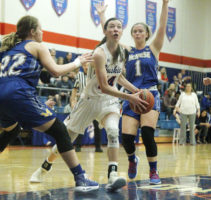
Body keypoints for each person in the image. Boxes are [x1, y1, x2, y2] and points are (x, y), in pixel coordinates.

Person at [0, 15, 99, 192]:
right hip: (18, 95)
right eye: (40, 28)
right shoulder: (38, 46)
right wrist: (78, 62)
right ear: (32, 31)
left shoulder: (12, 49)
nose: (42, 32)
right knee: (60, 131)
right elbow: (55, 72)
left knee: (12, 130)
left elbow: (32, 76)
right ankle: (80, 177)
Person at [30, 17, 147, 192]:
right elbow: (104, 86)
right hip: (90, 101)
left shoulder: (122, 52)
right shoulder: (99, 53)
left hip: (110, 101)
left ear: (122, 32)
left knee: (113, 131)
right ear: (106, 31)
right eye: (112, 27)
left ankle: (113, 175)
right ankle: (45, 166)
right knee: (65, 140)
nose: (116, 29)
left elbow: (119, 77)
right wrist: (130, 97)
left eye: (119, 27)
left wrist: (135, 90)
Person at [95, 0, 168, 184]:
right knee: (127, 137)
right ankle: (132, 159)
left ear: (146, 34)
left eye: (140, 31)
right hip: (131, 95)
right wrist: (103, 15)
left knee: (147, 133)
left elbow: (162, 27)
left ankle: (153, 171)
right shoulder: (126, 50)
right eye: (134, 31)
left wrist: (165, 4)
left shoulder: (154, 48)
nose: (137, 33)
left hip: (150, 94)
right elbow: (110, 37)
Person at [70, 63, 103, 153]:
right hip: (83, 103)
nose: (86, 67)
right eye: (84, 66)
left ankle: (98, 147)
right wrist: (73, 101)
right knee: (80, 126)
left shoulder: (96, 75)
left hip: (95, 102)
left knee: (97, 127)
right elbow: (74, 89)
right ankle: (78, 146)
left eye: (88, 65)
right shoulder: (79, 75)